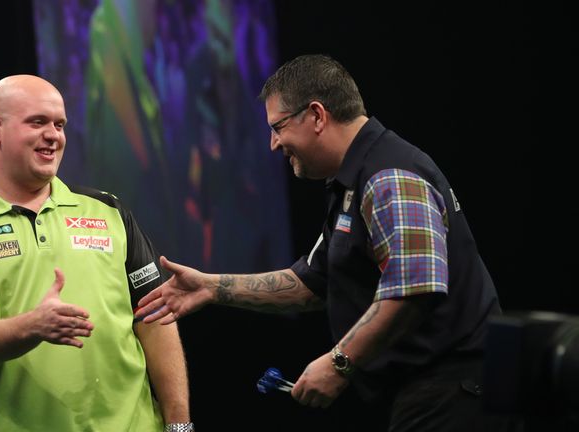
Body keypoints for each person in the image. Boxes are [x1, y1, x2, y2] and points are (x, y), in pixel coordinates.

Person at [136, 54, 518, 431]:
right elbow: (312, 282)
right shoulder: (351, 182)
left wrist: (341, 362)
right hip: (429, 395)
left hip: (457, 395)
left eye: (278, 126)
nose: (273, 144)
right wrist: (211, 287)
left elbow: (416, 287)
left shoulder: (389, 175)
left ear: (317, 115)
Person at [0, 74, 192, 431]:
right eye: (37, 122)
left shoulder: (109, 211)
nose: (54, 135)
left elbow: (155, 318)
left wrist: (179, 425)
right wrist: (34, 325)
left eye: (60, 124)